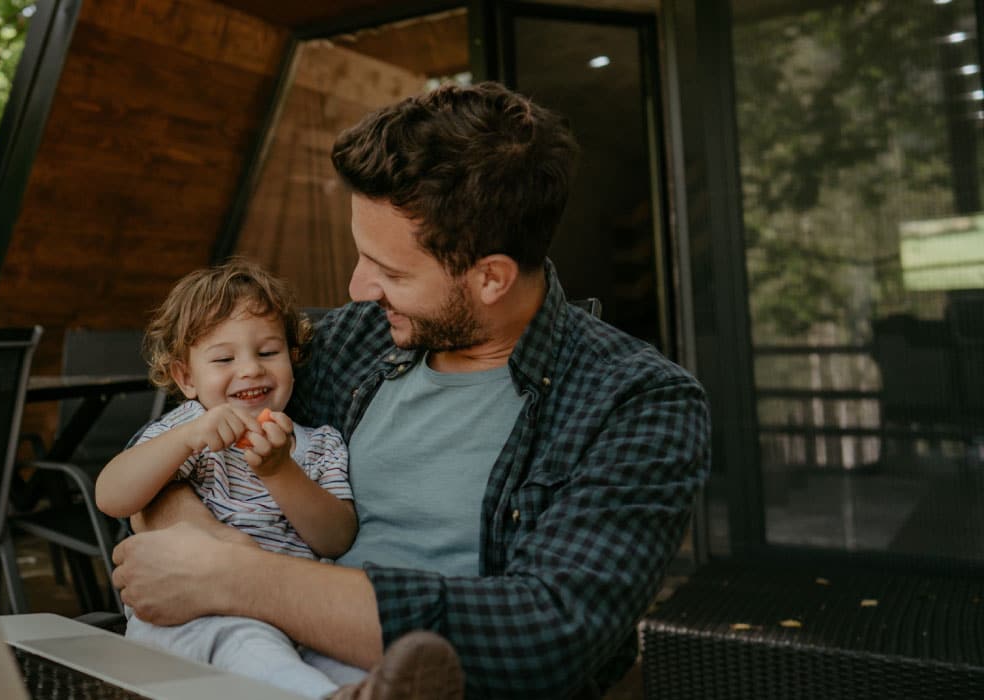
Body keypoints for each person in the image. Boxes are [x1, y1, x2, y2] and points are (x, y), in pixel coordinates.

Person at [112, 81, 711, 699]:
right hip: (261, 651)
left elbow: (549, 635)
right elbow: (179, 443)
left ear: (490, 278)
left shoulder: (637, 403)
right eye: (362, 255)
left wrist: (236, 577)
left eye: (390, 270)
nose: (357, 288)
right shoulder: (354, 342)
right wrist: (198, 542)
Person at [94, 260, 361, 697]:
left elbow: (335, 538)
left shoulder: (321, 443)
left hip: (292, 612)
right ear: (185, 377)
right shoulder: (185, 431)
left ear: (294, 357)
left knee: (342, 657)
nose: (251, 369)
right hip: (194, 617)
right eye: (223, 358)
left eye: (268, 352)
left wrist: (280, 471)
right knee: (246, 643)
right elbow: (112, 497)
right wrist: (185, 439)